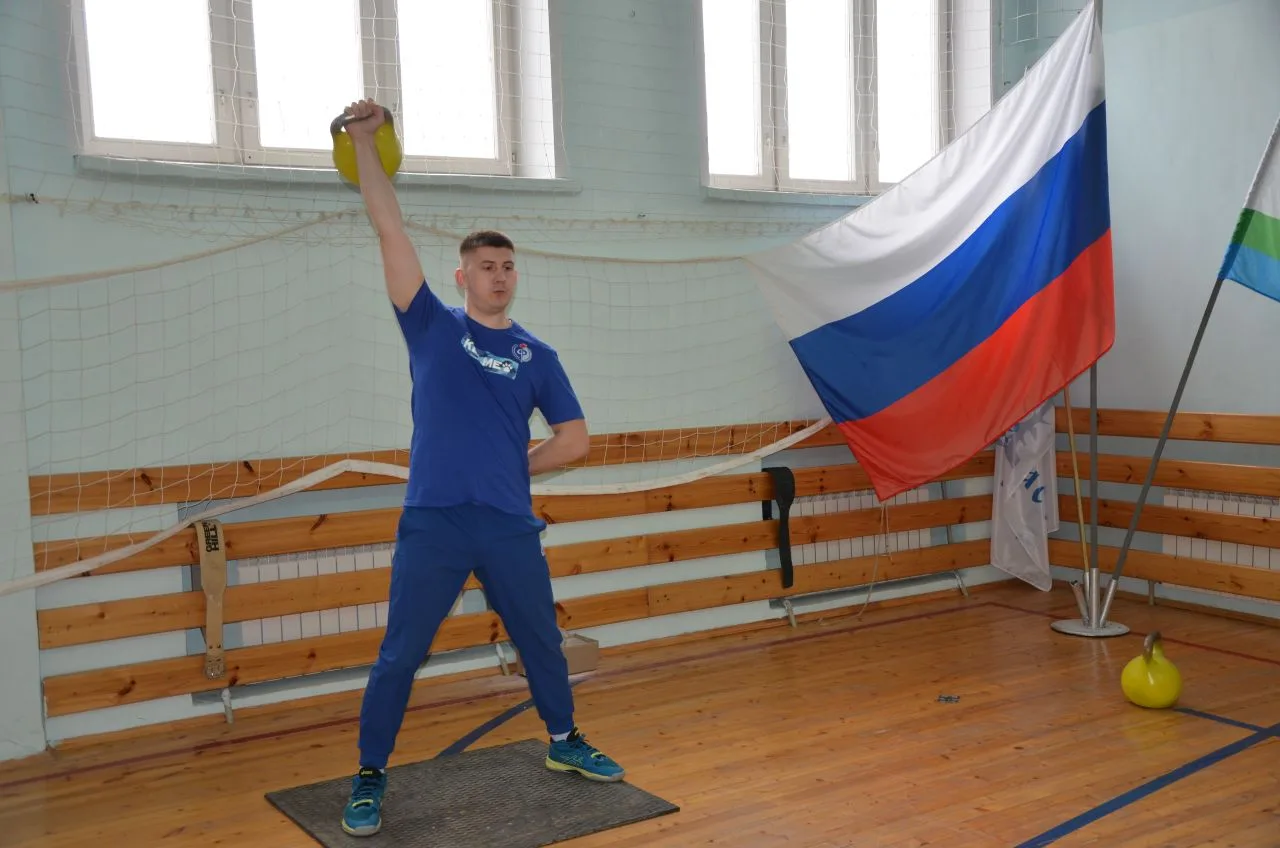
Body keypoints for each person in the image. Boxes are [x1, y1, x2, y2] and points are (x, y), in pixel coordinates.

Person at [337, 98, 625, 838]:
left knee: (541, 641)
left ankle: (564, 740)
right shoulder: (431, 325)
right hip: (434, 522)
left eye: (507, 267)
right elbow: (389, 227)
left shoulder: (537, 355)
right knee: (401, 653)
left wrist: (516, 465)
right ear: (461, 276)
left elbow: (575, 440)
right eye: (486, 268)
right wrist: (365, 142)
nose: (499, 276)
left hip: (505, 524)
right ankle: (370, 773)